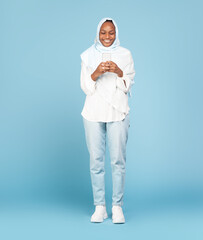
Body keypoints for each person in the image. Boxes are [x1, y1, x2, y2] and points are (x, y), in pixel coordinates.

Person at [80, 17, 135, 224]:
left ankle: (117, 207)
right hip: (93, 112)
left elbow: (127, 84)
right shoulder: (87, 55)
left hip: (118, 111)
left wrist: (119, 71)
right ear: (98, 33)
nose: (107, 36)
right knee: (96, 161)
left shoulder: (125, 54)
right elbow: (86, 87)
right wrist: (96, 73)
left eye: (111, 32)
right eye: (103, 32)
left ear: (116, 33)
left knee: (118, 161)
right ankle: (100, 206)